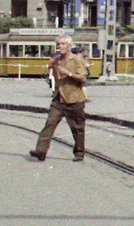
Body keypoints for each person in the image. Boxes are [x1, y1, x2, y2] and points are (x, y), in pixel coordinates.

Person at [29, 33, 89, 163]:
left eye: (62, 44)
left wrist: (68, 73)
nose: (59, 46)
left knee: (77, 128)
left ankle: (79, 153)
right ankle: (41, 151)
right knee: (49, 124)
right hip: (58, 99)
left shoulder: (76, 60)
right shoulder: (56, 61)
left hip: (74, 99)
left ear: (69, 46)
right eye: (58, 44)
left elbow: (83, 77)